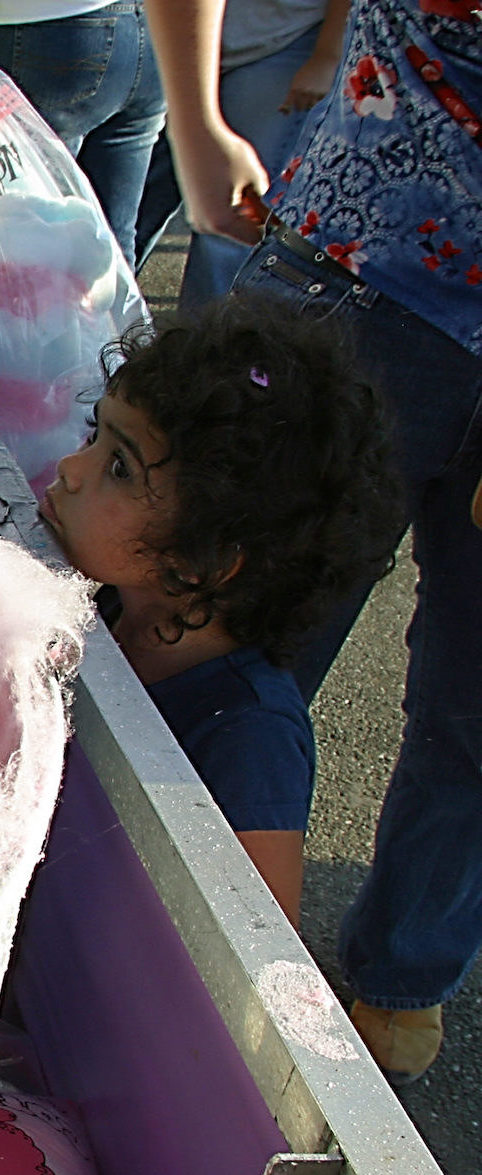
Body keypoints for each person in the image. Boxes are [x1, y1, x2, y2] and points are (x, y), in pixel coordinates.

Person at [196, 0, 482, 1086]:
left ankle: (397, 983)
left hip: (358, 282)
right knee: (228, 653)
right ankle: (138, 947)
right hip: (364, 272)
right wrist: (192, 114)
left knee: (471, 707)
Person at [36, 297, 403, 926]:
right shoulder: (110, 604)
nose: (71, 469)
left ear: (201, 562)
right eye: (95, 436)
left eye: (119, 467)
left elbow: (248, 967)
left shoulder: (249, 741)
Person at [132, 0, 351, 300]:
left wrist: (327, 55)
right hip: (167, 42)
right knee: (128, 217)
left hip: (280, 43)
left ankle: (205, 342)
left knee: (230, 231)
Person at [0, 0, 168, 265]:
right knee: (113, 240)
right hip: (149, 29)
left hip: (50, 31)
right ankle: (115, 305)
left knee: (25, 230)